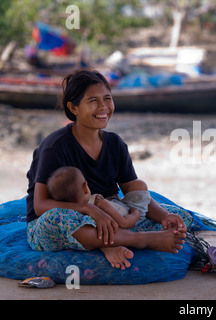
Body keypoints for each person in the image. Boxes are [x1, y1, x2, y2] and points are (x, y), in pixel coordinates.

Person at [26, 68, 190, 270]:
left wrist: (164, 216)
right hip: (68, 217)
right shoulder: (55, 147)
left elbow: (134, 192)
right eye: (93, 101)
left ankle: (108, 242)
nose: (103, 107)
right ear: (74, 108)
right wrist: (89, 209)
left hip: (112, 217)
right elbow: (40, 205)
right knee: (58, 221)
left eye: (107, 98)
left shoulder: (115, 143)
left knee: (179, 219)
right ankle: (139, 240)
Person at [47, 166, 149, 230]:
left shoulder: (76, 215)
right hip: (131, 219)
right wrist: (135, 213)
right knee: (140, 185)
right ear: (85, 187)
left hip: (119, 211)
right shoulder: (100, 204)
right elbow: (124, 223)